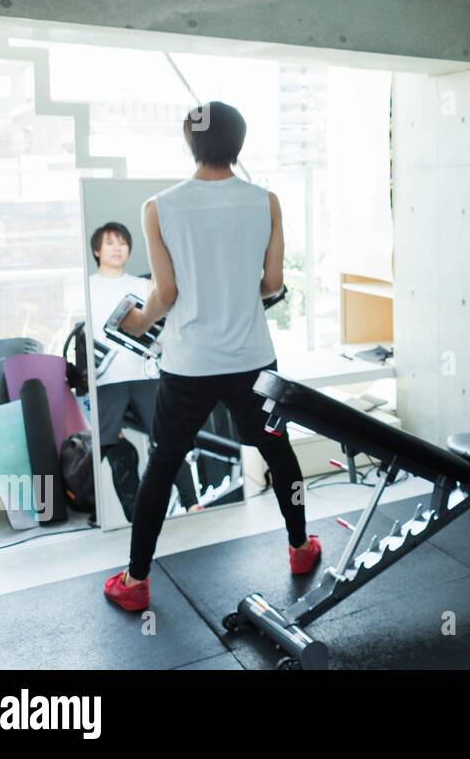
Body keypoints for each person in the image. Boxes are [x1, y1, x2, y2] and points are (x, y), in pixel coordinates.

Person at [103, 101, 321, 612]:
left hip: (189, 363)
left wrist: (133, 323)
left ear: (190, 143)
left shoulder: (159, 206)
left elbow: (166, 293)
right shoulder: (265, 201)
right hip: (252, 359)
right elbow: (273, 284)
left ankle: (136, 582)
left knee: (163, 462)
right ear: (238, 144)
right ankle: (298, 548)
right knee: (278, 451)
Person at [86, 221, 198, 522]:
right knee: (105, 444)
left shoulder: (142, 285)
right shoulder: (87, 287)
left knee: (168, 436)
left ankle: (192, 503)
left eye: (122, 242)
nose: (117, 247)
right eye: (109, 242)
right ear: (97, 250)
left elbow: (163, 330)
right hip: (106, 379)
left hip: (144, 374)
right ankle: (120, 514)